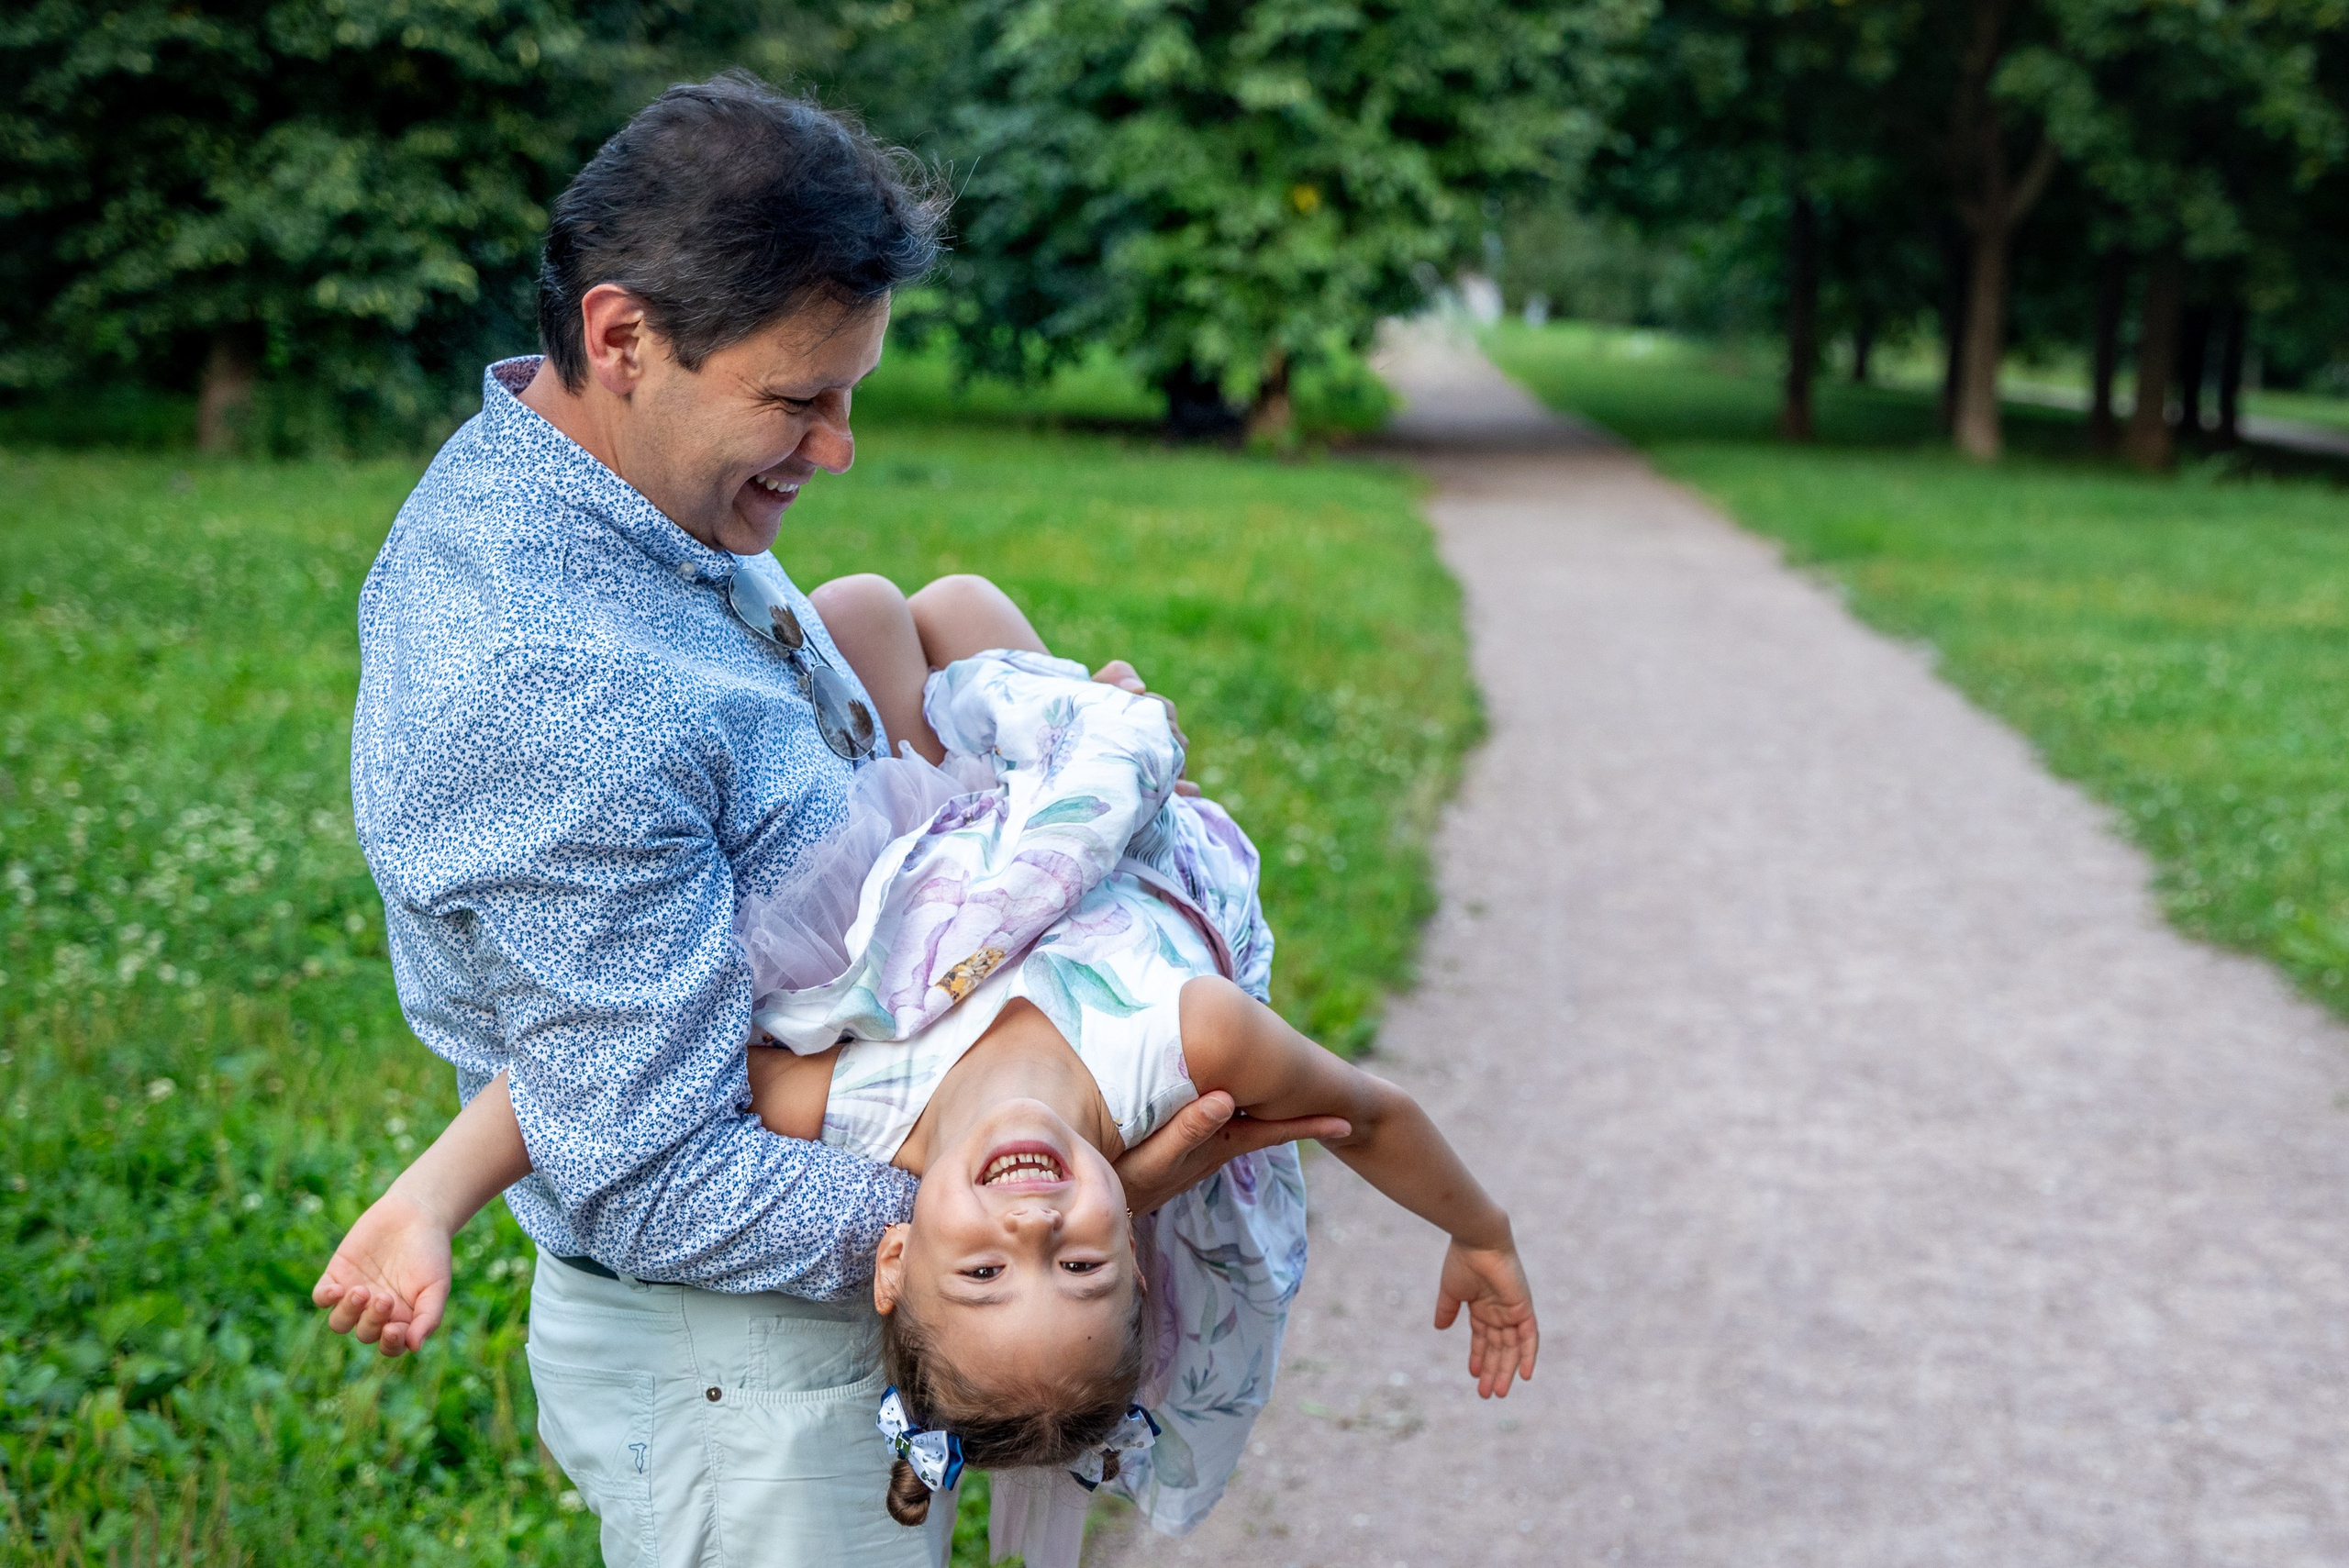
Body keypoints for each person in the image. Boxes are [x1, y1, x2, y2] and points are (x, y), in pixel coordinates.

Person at [340, 72, 1339, 1568]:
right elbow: (649, 1169)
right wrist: (1045, 1184)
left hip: (824, 1320)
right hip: (743, 1376)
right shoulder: (544, 681)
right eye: (798, 398)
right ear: (621, 338)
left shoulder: (629, 502)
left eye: (850, 391)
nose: (839, 445)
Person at [322, 577, 1540, 1565]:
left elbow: (610, 1070)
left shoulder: (856, 1110)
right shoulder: (1192, 1038)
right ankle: (1073, 719)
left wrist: (429, 1198)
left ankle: (961, 699)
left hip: (946, 859)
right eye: (1075, 1259)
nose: (1030, 1216)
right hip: (1088, 826)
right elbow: (1365, 1115)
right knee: (957, 604)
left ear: (894, 1254)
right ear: (1134, 1224)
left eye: (982, 1263)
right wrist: (1478, 1226)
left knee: (857, 612)